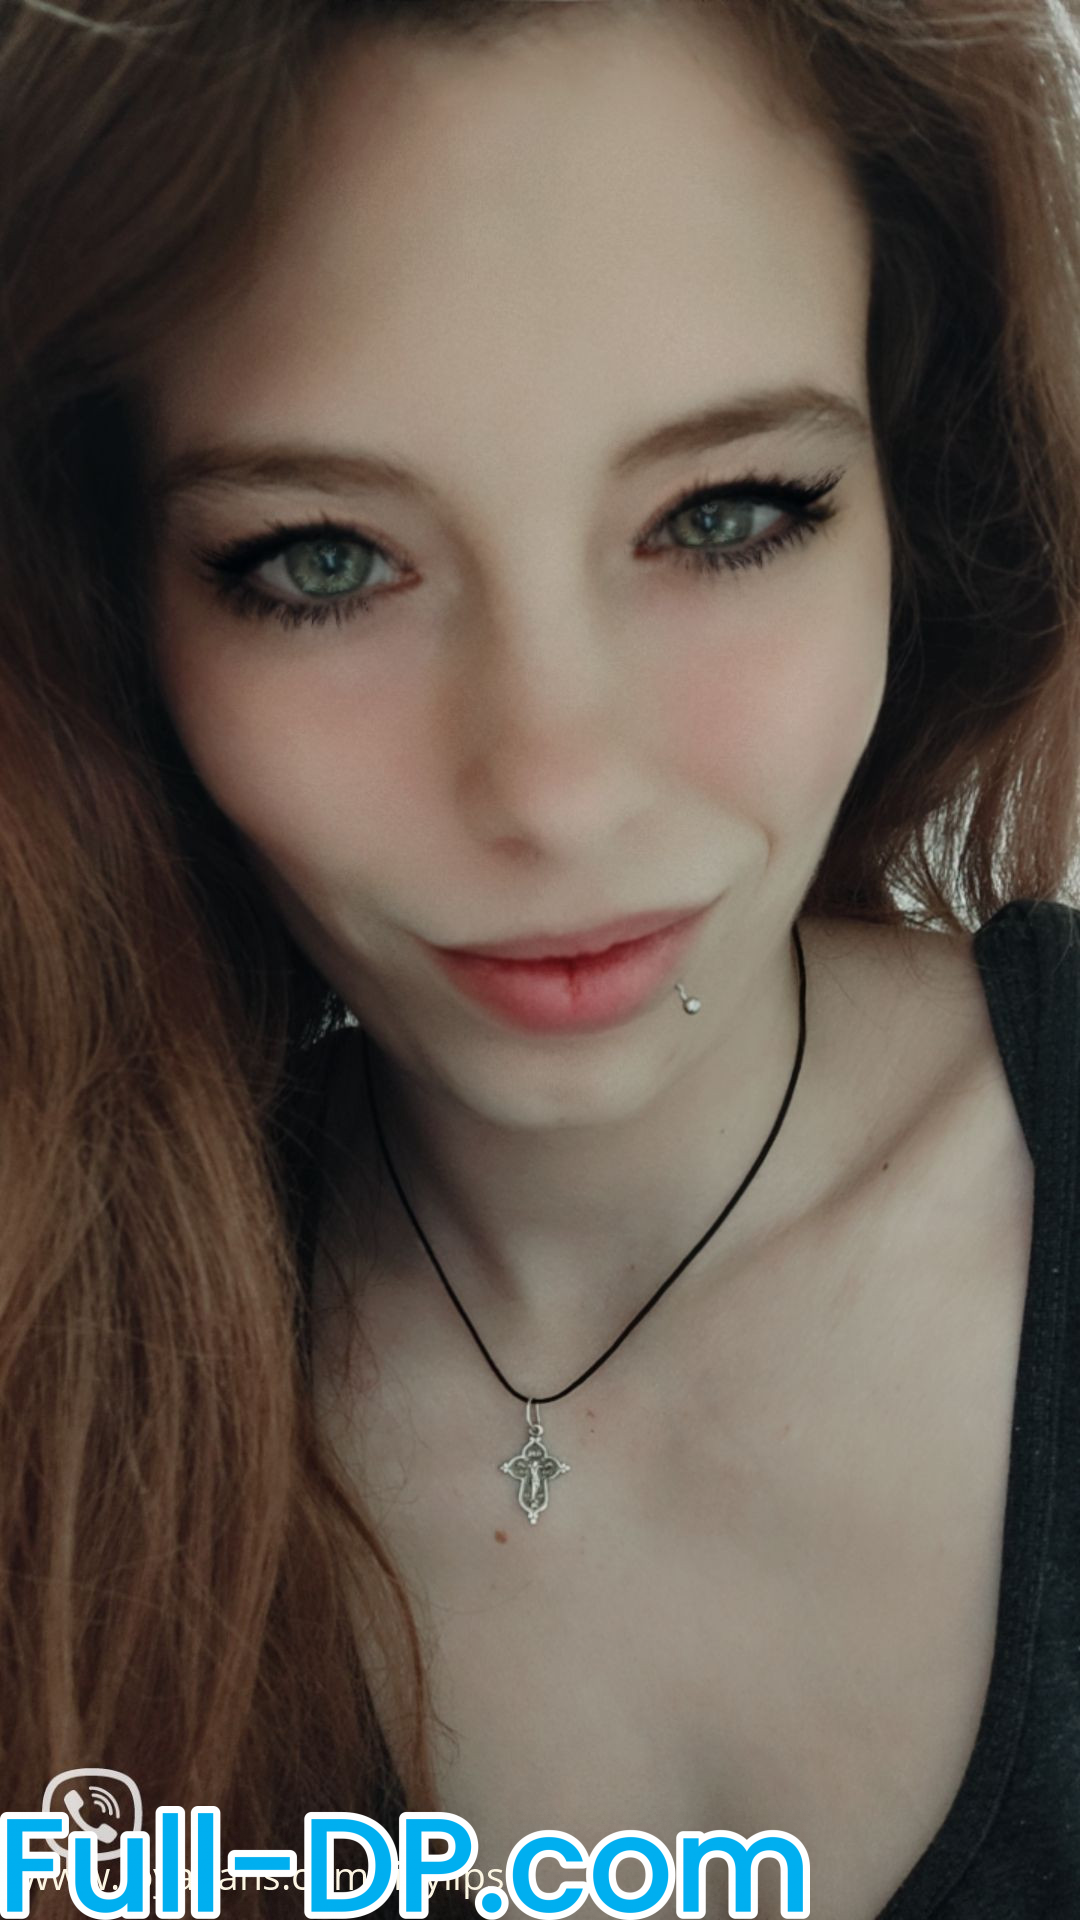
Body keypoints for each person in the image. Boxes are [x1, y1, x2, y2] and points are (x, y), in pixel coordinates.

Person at [4, 0, 1080, 1914]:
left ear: (916, 497)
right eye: (323, 557)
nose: (557, 792)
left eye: (723, 515)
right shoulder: (50, 1345)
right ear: (110, 612)